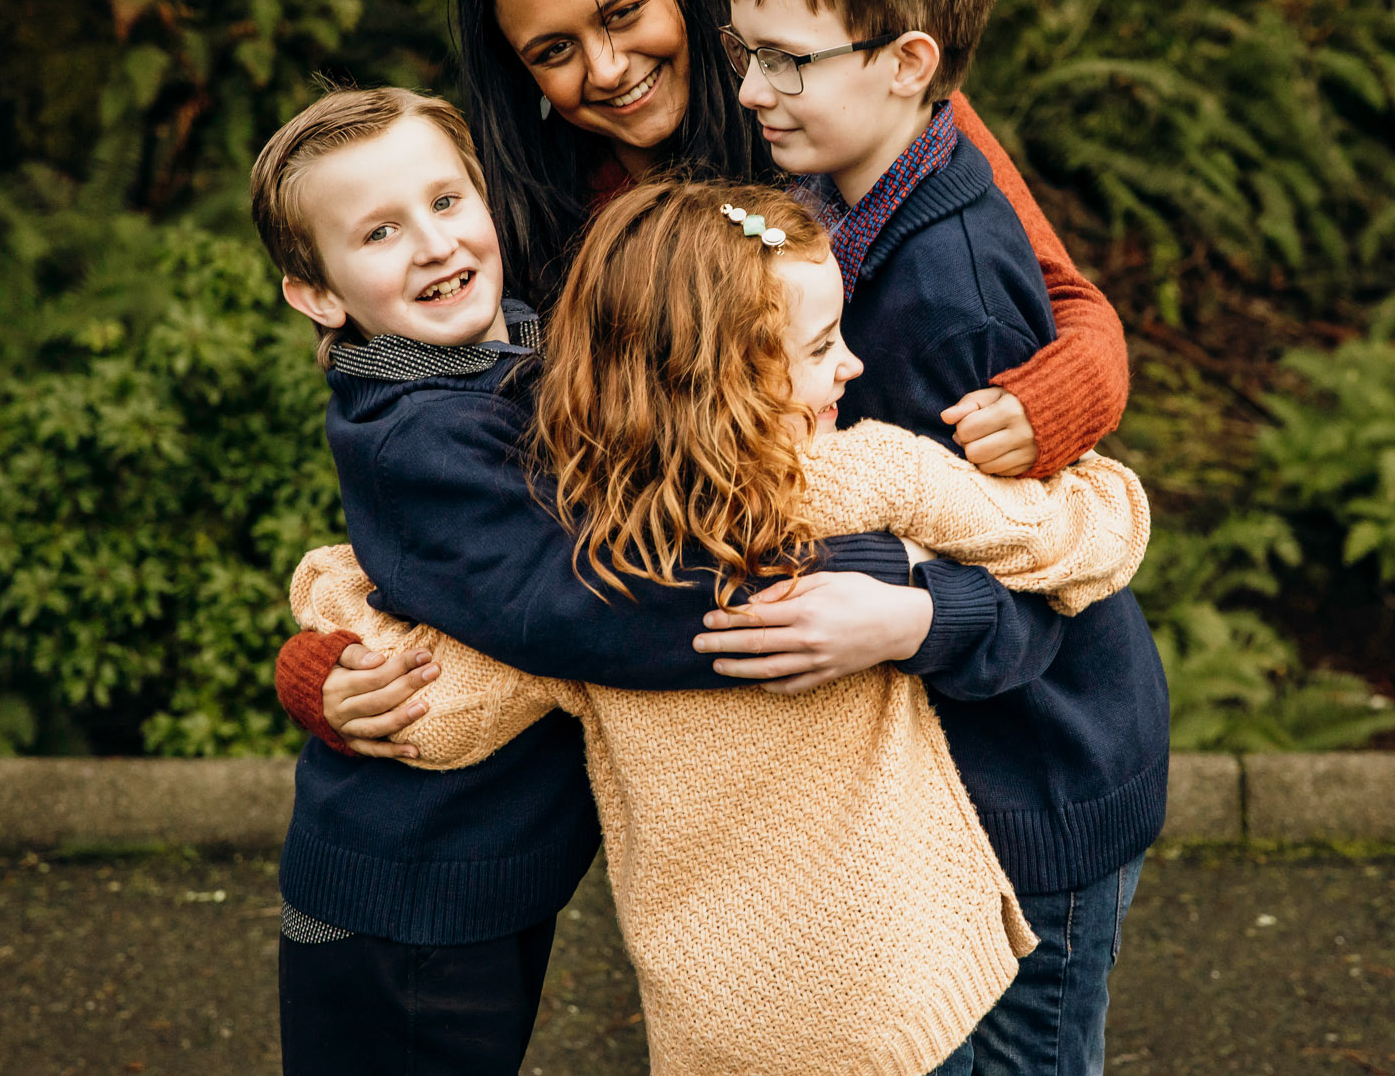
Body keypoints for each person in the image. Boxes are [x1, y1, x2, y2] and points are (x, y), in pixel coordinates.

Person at [289, 174, 1152, 1073]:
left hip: (731, 1020)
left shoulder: (583, 552)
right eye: (821, 349)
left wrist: (333, 623)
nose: (853, 366)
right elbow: (1105, 523)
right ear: (730, 378)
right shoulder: (864, 478)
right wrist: (929, 569)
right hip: (903, 966)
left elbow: (437, 717)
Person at [253, 88, 962, 1073]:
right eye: (378, 231)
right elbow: (584, 604)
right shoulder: (415, 430)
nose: (432, 243)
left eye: (447, 201)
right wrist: (873, 572)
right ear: (317, 293)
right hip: (409, 879)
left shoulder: (511, 349)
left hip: (484, 863)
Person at [711, 0, 1171, 1074]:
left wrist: (899, 618)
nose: (752, 88)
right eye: (742, 49)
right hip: (968, 778)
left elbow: (1023, 567)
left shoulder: (948, 301)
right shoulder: (839, 167)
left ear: (907, 62)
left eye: (787, 59)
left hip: (1036, 783)